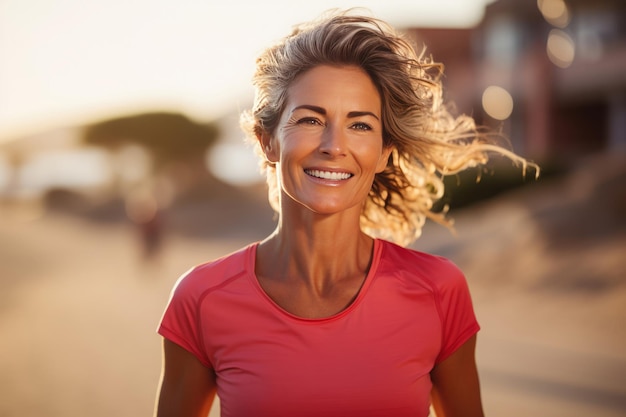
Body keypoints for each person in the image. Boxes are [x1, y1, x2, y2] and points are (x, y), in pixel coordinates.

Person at [154, 9, 536, 417]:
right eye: (311, 119)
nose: (334, 145)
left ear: (384, 152)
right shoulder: (201, 298)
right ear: (268, 142)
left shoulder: (439, 292)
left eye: (360, 125)